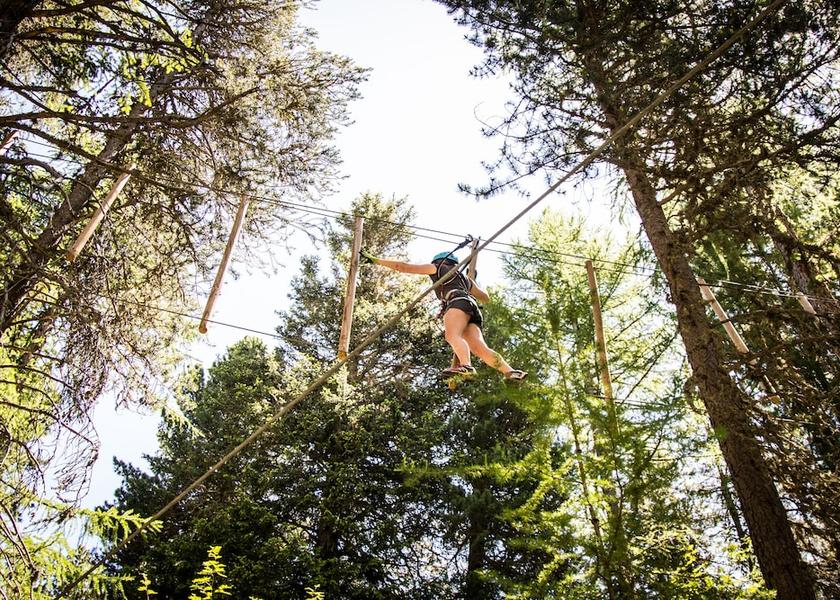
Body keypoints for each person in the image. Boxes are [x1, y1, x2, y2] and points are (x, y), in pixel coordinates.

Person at [360, 248, 527, 381]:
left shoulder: (438, 267)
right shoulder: (464, 279)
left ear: (439, 261)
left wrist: (375, 260)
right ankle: (510, 372)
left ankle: (467, 367)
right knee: (480, 348)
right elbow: (485, 298)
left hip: (456, 303)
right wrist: (473, 282)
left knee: (452, 335)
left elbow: (403, 266)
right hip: (473, 308)